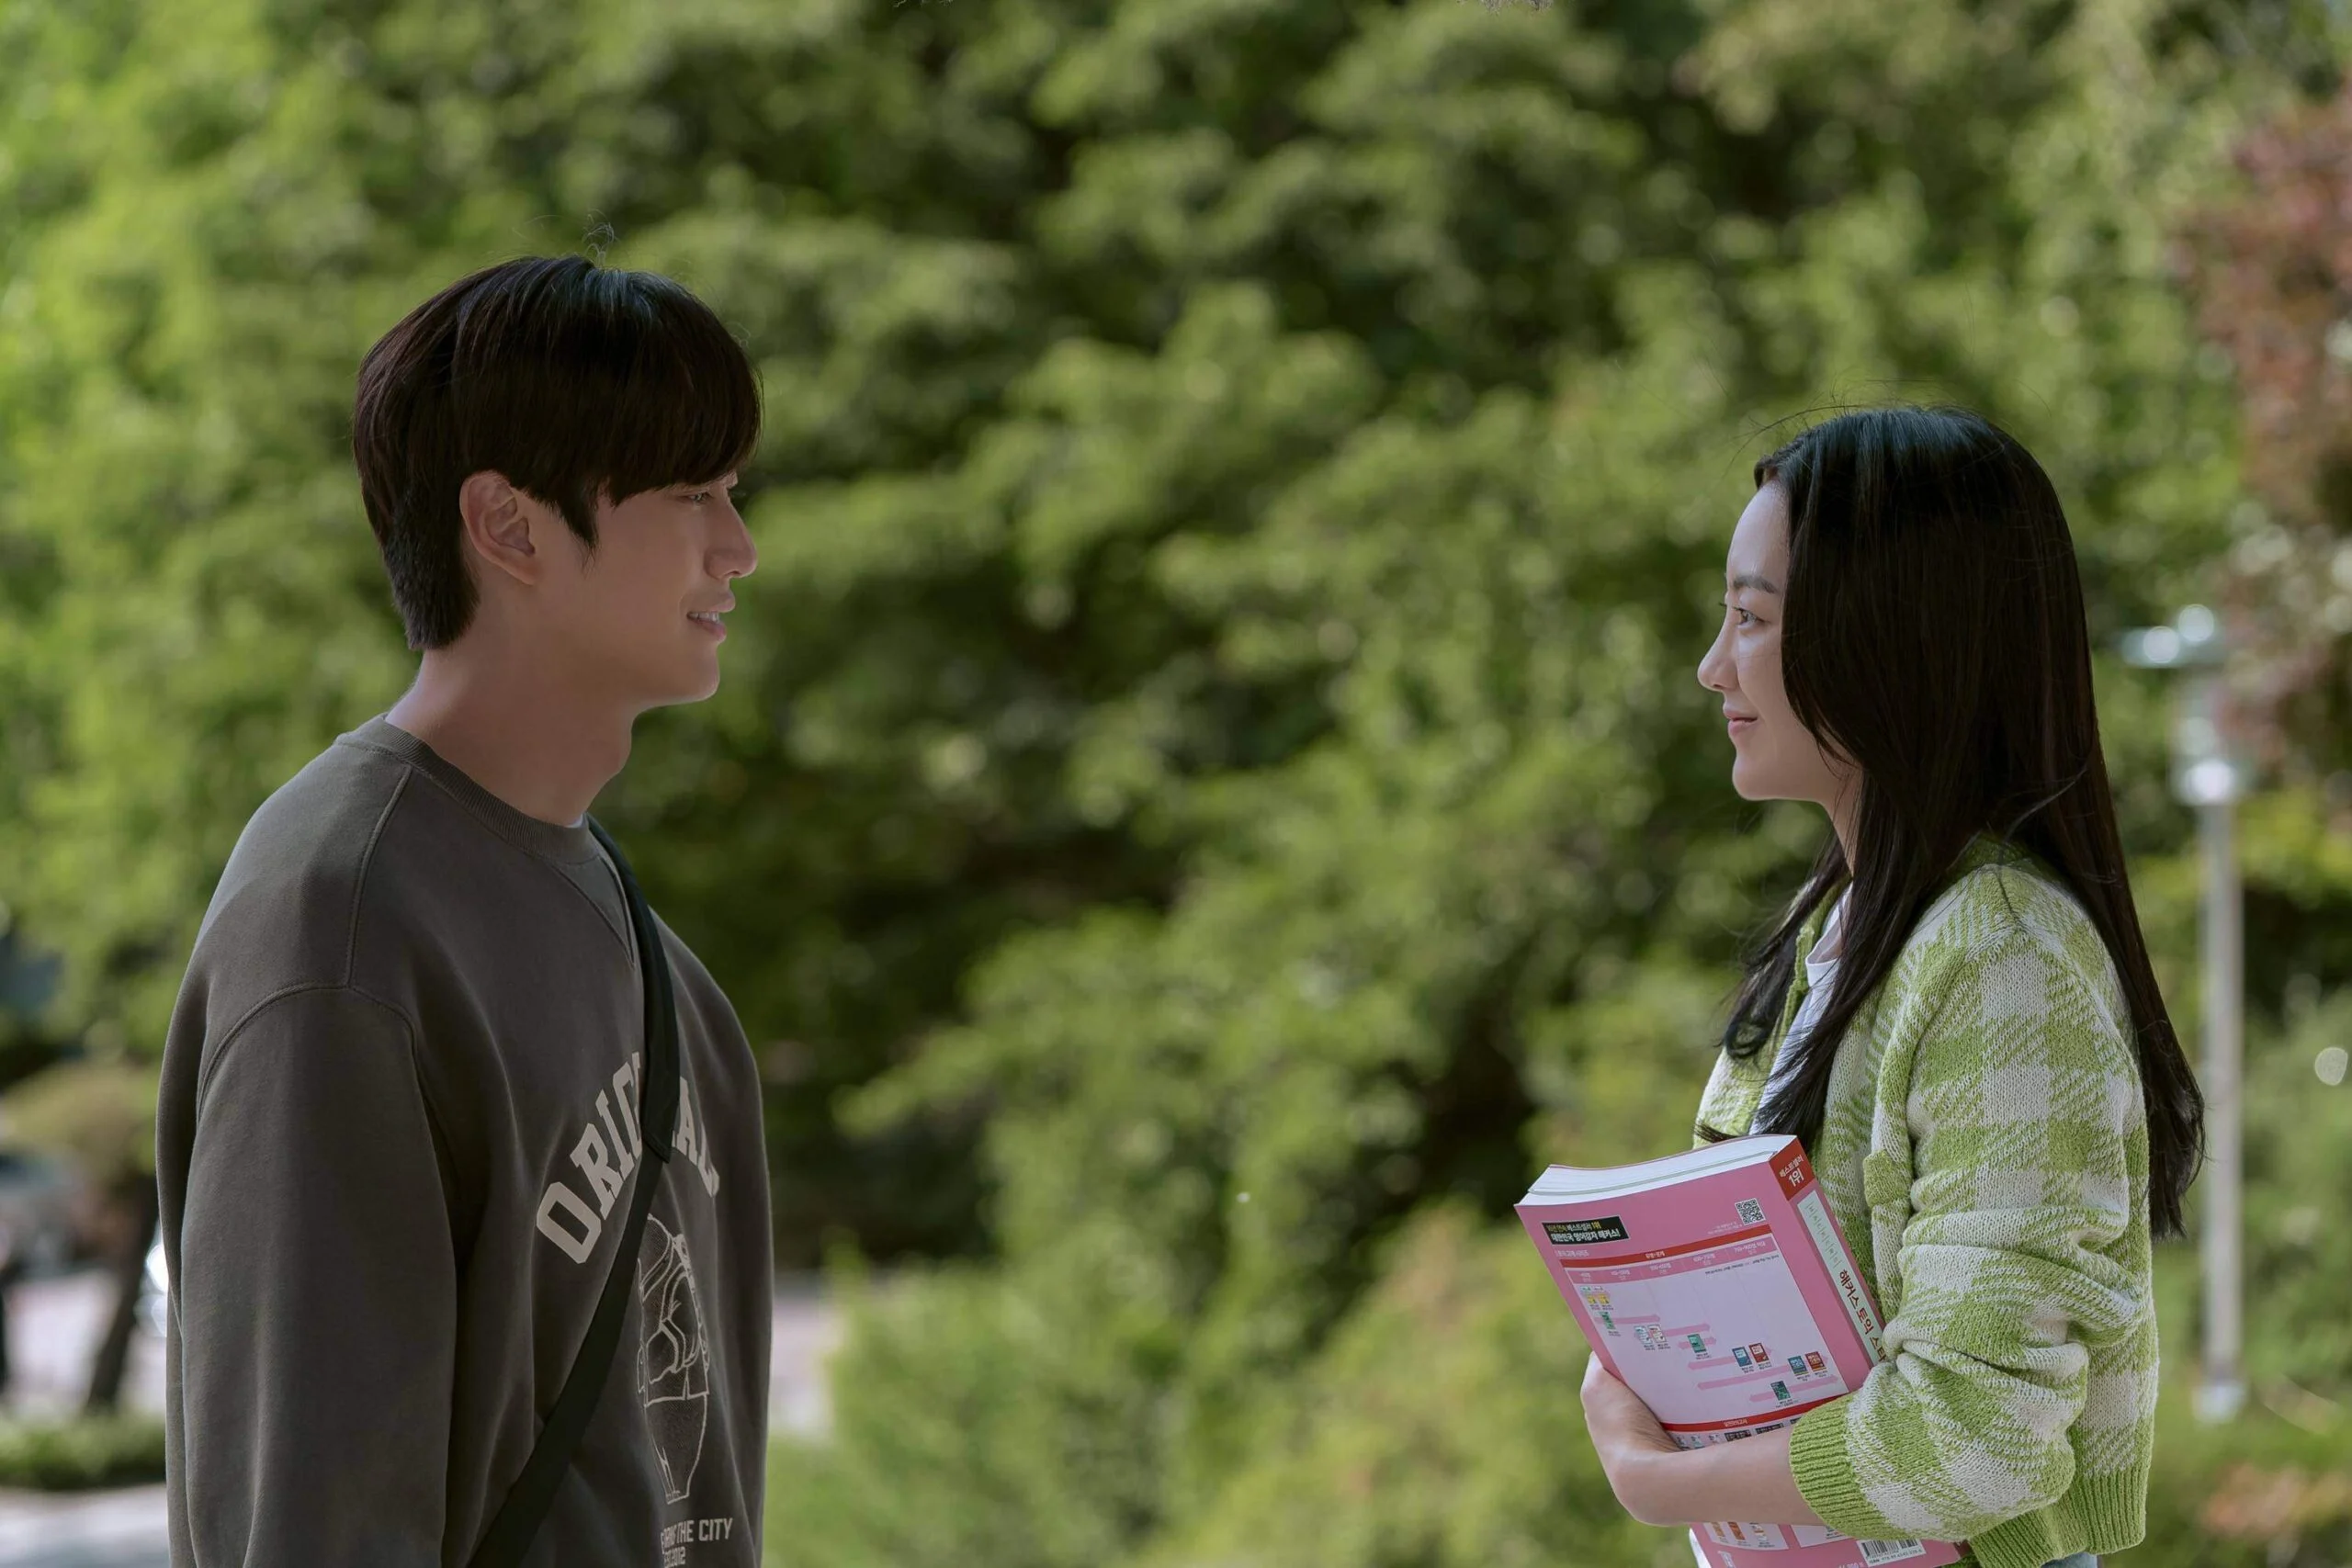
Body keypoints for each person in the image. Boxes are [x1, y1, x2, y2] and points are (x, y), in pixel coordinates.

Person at [154, 254, 771, 1564]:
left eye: (734, 491)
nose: (739, 546)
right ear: (509, 526)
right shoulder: (341, 931)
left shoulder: (671, 979)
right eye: (692, 493)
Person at [1576, 406, 2204, 1568]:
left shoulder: (2004, 959)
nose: (1713, 667)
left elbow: (1976, 1439)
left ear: (1888, 638)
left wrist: (1662, 1484)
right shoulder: (1842, 925)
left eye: (1751, 619)